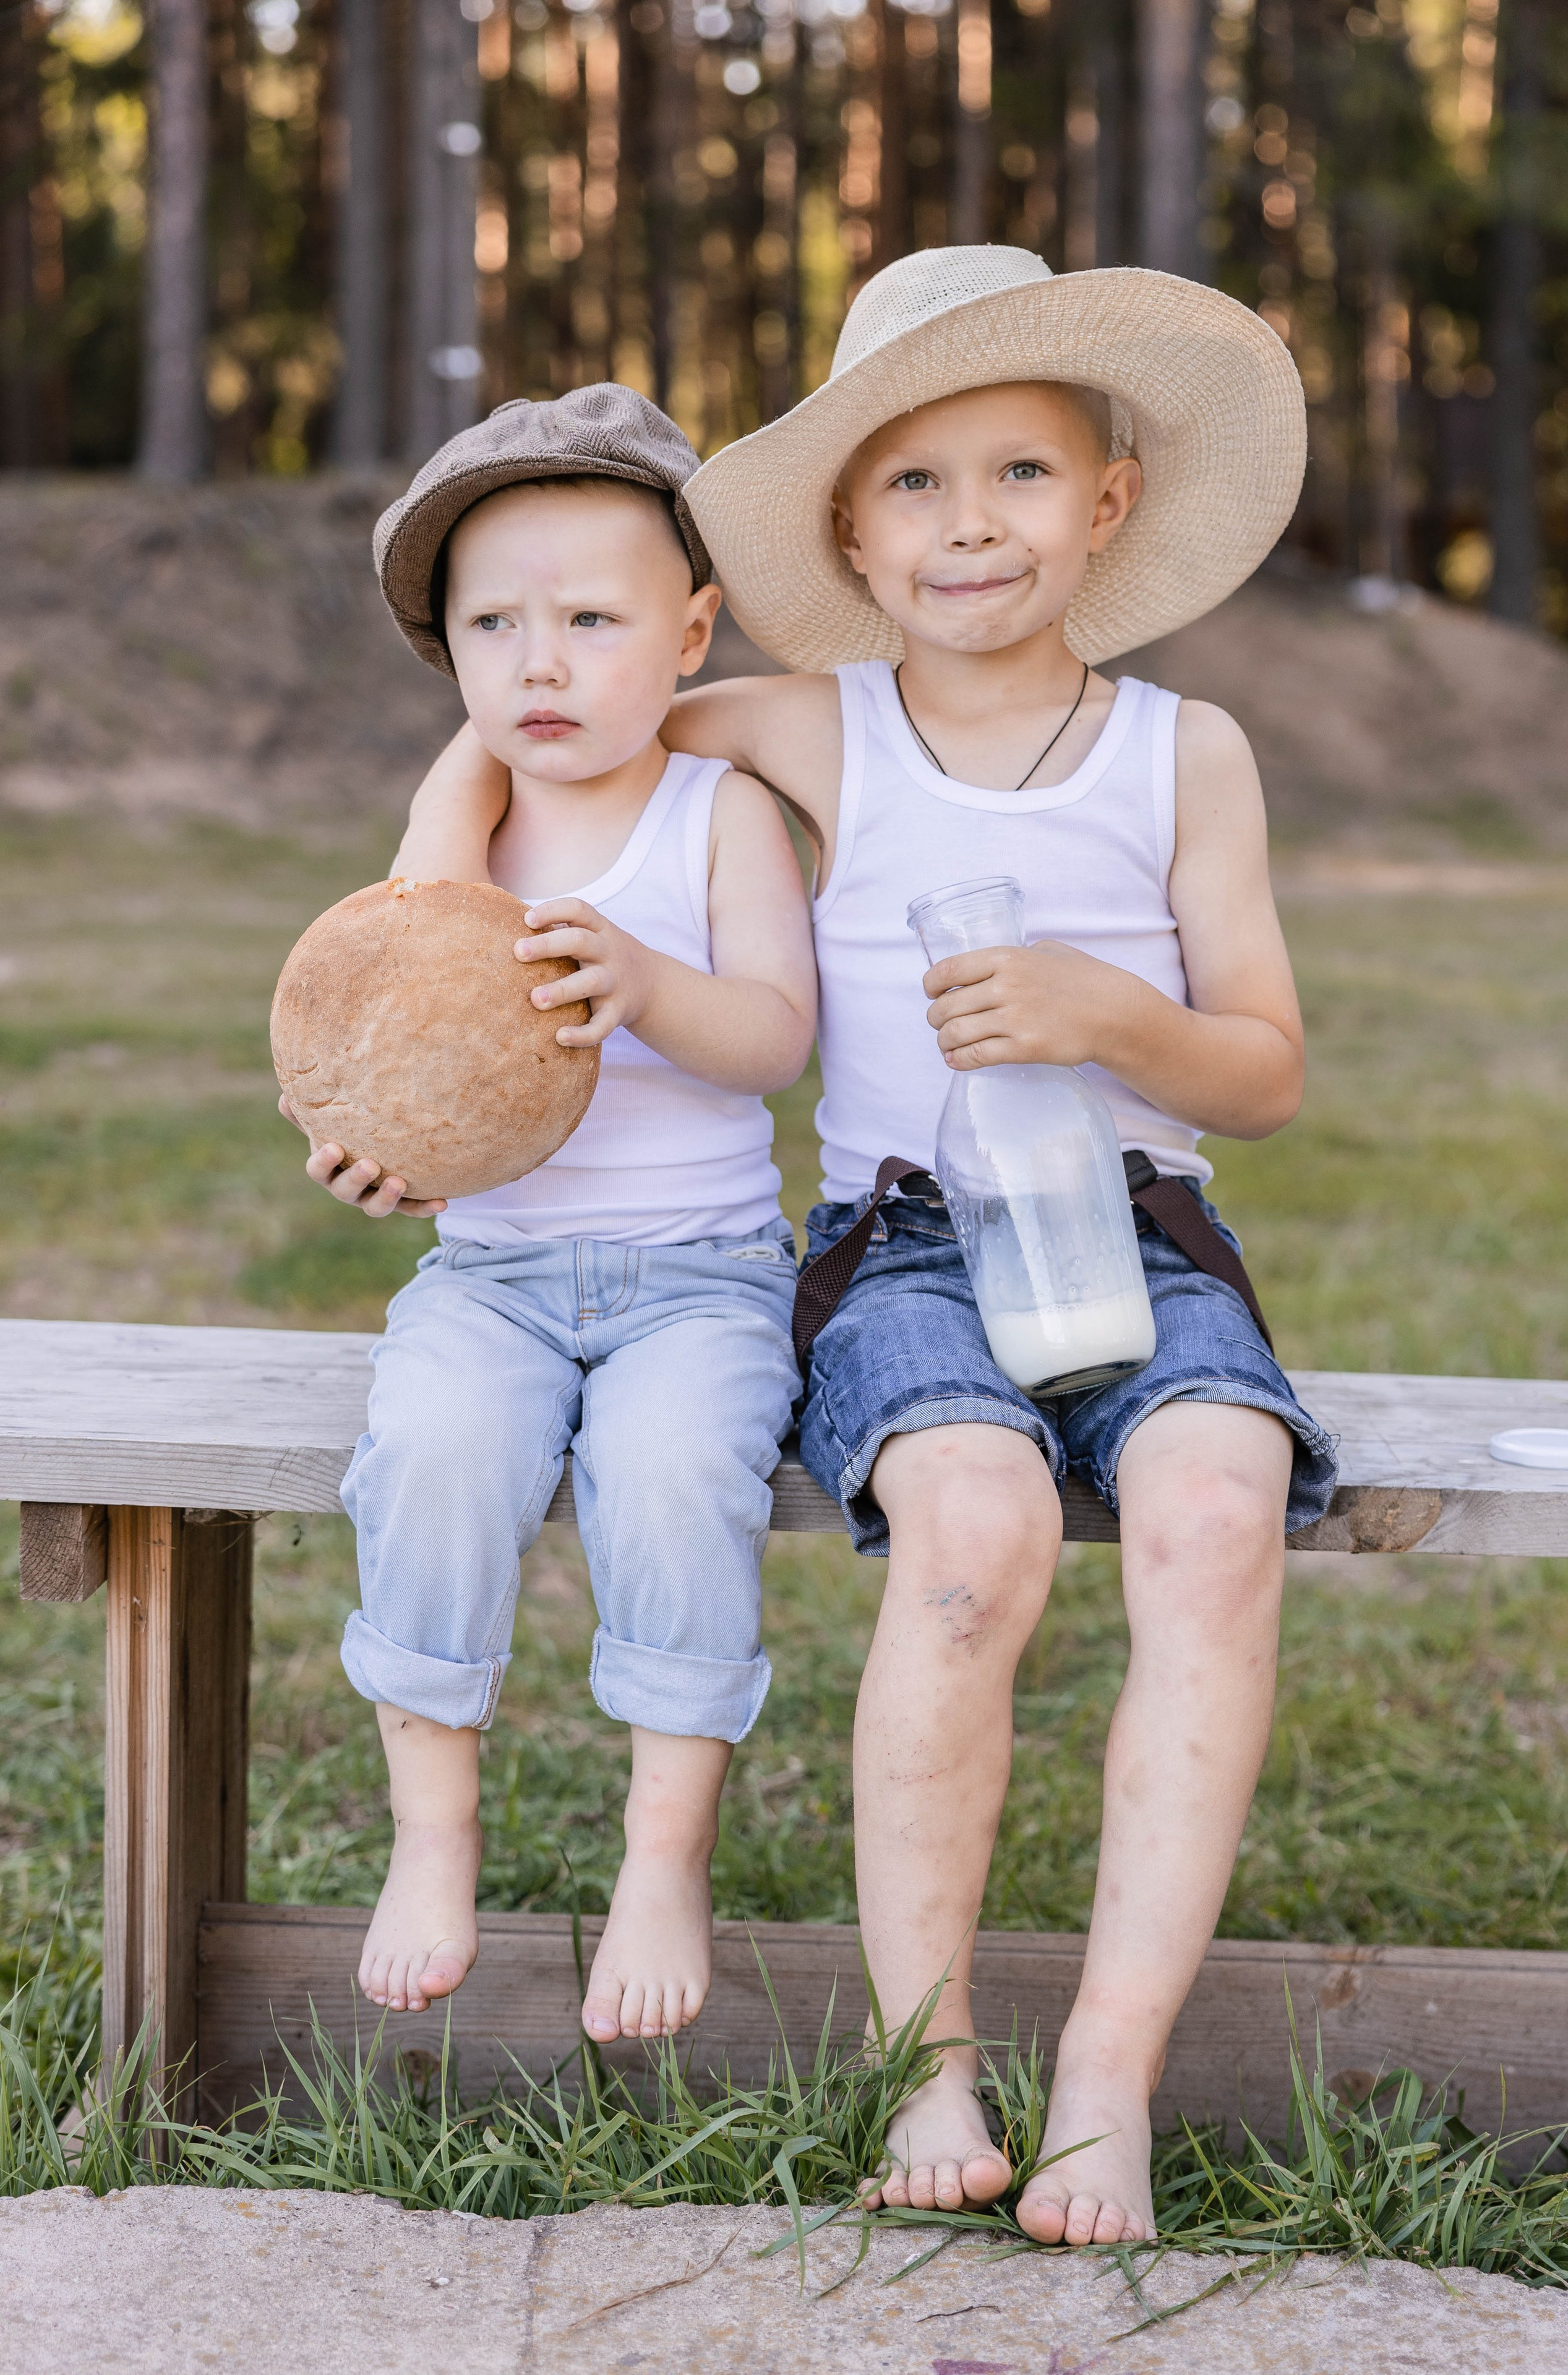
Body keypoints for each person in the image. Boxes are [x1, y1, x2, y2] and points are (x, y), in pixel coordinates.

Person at [400, 251, 1339, 2248]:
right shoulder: (816, 730)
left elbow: (1261, 1073)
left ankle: (1109, 2066)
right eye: (912, 483)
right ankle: (934, 2059)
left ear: (1109, 501)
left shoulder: (1191, 755)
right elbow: (550, 706)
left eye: (1018, 472)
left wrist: (1117, 1020)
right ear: (846, 526)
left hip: (1142, 1231)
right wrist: (423, 899)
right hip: (905, 1249)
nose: (968, 522)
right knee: (974, 1536)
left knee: (1217, 1509)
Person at [282, 386, 815, 2048]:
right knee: (432, 1456)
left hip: (700, 1282)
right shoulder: (476, 827)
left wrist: (650, 984)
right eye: (492, 627)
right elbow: (393, 1006)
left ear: (692, 630)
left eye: (594, 621)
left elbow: (779, 1042)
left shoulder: (715, 816)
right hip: (494, 1276)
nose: (542, 663)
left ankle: (668, 1853)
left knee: (671, 1479)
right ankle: (436, 1837)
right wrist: (371, 1147)